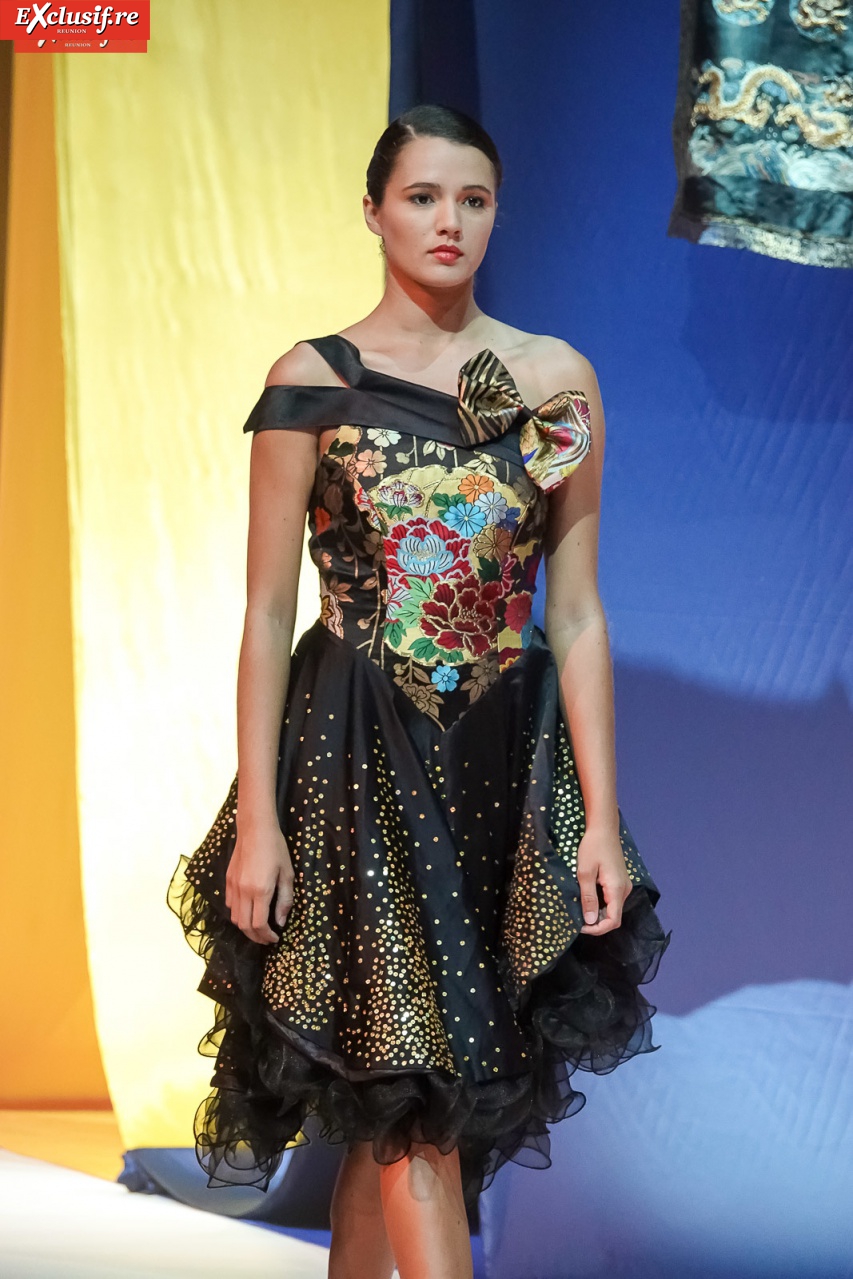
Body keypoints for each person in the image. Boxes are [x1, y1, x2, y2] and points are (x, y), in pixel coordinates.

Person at [168, 102, 671, 1279]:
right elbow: (264, 613)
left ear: (496, 214)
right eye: (422, 197)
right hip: (352, 761)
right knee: (415, 1094)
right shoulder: (312, 382)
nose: (449, 221)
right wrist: (259, 819)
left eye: (473, 199)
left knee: (400, 1100)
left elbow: (576, 610)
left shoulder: (553, 381)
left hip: (497, 765)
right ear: (373, 211)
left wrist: (596, 819)